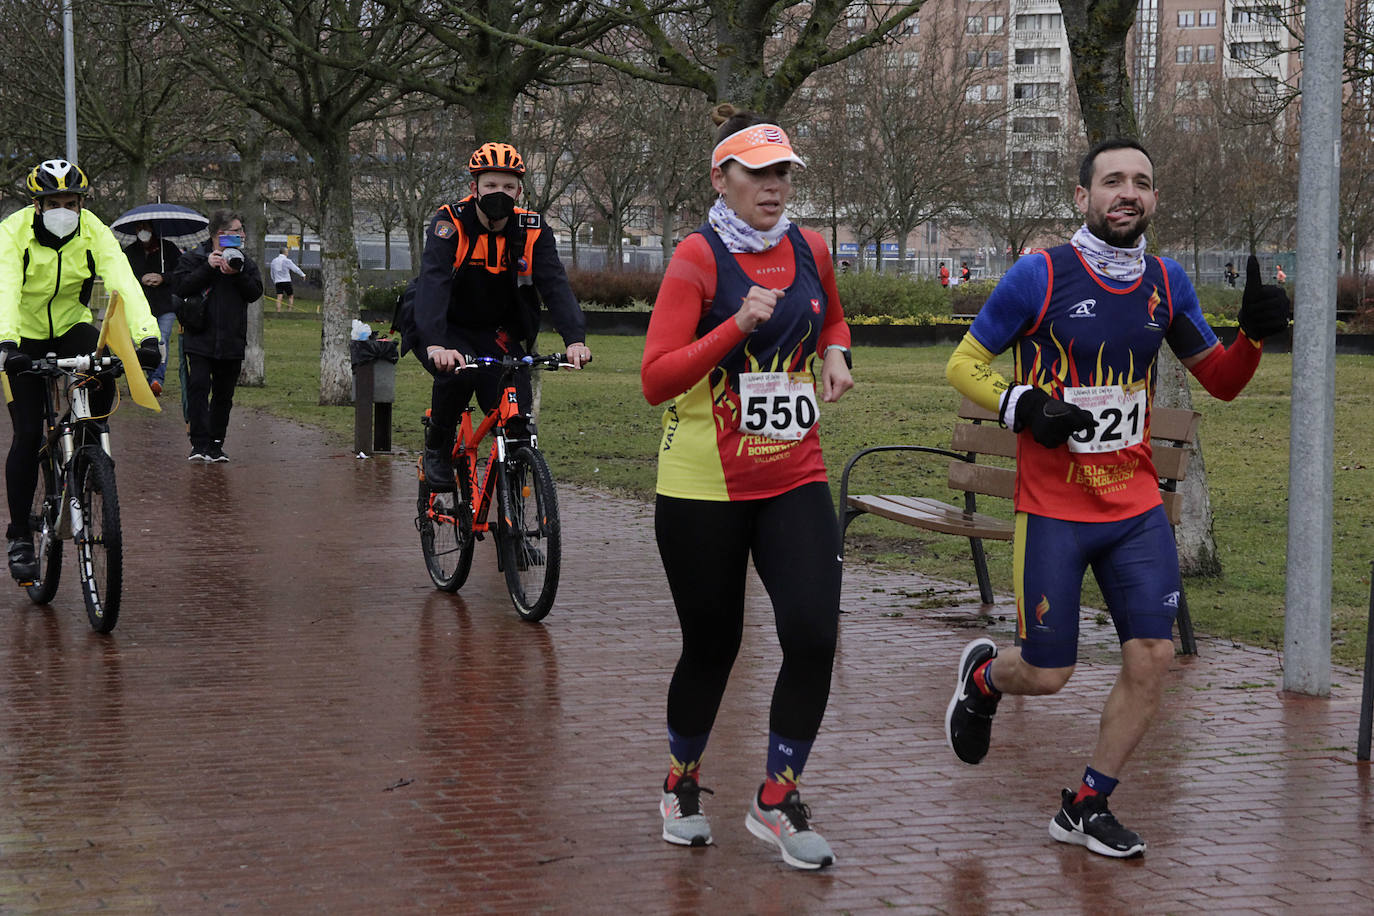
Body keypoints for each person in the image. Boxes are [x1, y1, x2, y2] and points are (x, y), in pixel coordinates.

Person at [942, 138, 1290, 859]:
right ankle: (983, 678)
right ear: (1083, 198)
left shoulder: (1166, 283)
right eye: (1112, 182)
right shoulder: (1040, 276)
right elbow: (963, 363)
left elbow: (1220, 380)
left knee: (1152, 657)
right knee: (1047, 670)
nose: (1127, 192)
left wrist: (1253, 337)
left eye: (1141, 182)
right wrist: (1022, 404)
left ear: (1154, 200)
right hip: (1055, 511)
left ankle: (1087, 803)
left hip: (1132, 510)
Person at [641, 105, 855, 870]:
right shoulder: (698, 259)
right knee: (713, 646)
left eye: (783, 171)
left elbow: (831, 317)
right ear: (721, 178)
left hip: (795, 474)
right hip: (703, 486)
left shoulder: (811, 246)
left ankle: (776, 797)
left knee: (813, 635)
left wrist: (836, 354)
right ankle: (681, 781)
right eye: (758, 172)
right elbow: (655, 379)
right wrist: (734, 326)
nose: (774, 185)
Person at [0, 159, 161, 580]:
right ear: (37, 204)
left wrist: (147, 338)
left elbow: (122, 282)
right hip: (23, 335)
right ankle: (19, 536)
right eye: (53, 202)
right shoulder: (13, 231)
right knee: (28, 434)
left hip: (71, 325)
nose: (63, 210)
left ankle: (89, 456)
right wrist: (6, 344)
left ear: (81, 203)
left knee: (104, 369)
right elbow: (5, 287)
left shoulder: (93, 230)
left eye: (71, 202)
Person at [410, 141, 591, 490]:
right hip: (446, 325)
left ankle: (516, 515)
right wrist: (435, 345)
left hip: (499, 328)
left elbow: (554, 284)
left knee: (517, 406)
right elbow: (433, 283)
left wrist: (575, 339)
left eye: (508, 187)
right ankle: (437, 448)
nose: (500, 193)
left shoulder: (532, 229)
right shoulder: (450, 223)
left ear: (519, 190)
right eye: (491, 185)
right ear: (474, 187)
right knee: (457, 375)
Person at [172, 209, 263, 462]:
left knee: (224, 394)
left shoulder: (244, 260)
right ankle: (199, 444)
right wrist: (208, 268)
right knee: (199, 387)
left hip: (232, 338)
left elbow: (255, 292)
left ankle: (216, 443)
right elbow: (180, 287)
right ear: (221, 234)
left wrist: (238, 273)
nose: (242, 234)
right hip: (200, 336)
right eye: (237, 230)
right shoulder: (195, 257)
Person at [122, 222, 183, 396]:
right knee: (139, 343)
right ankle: (137, 381)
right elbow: (124, 275)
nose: (143, 231)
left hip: (165, 305)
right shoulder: (129, 252)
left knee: (161, 340)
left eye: (146, 228)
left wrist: (162, 278)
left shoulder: (169, 249)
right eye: (139, 228)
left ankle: (156, 380)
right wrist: (141, 279)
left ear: (153, 229)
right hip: (138, 307)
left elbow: (180, 273)